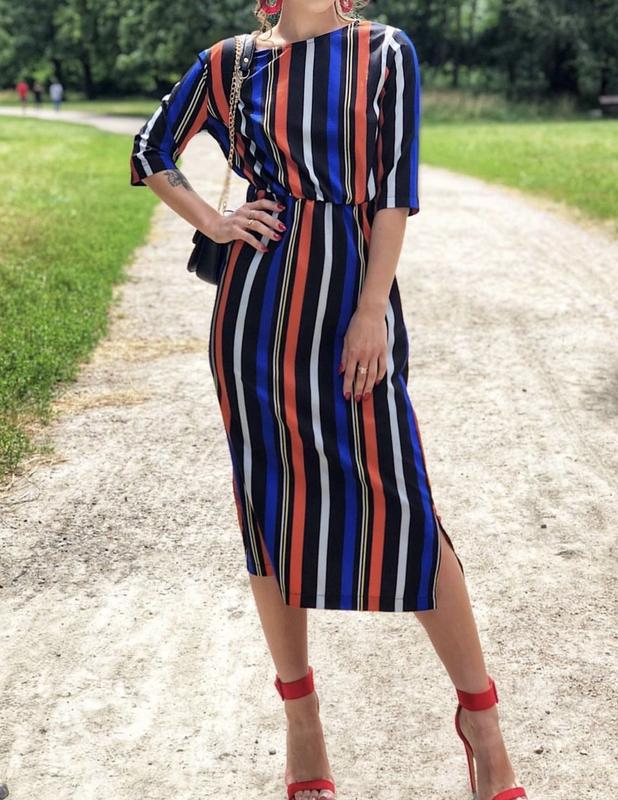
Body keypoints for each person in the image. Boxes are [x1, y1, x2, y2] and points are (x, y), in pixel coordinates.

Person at [129, 2, 529, 800]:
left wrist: (373, 309)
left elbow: (393, 192)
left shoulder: (385, 51)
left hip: (351, 301)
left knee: (402, 499)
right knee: (269, 508)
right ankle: (302, 720)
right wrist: (215, 219)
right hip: (255, 318)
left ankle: (481, 721)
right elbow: (151, 148)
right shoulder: (230, 61)